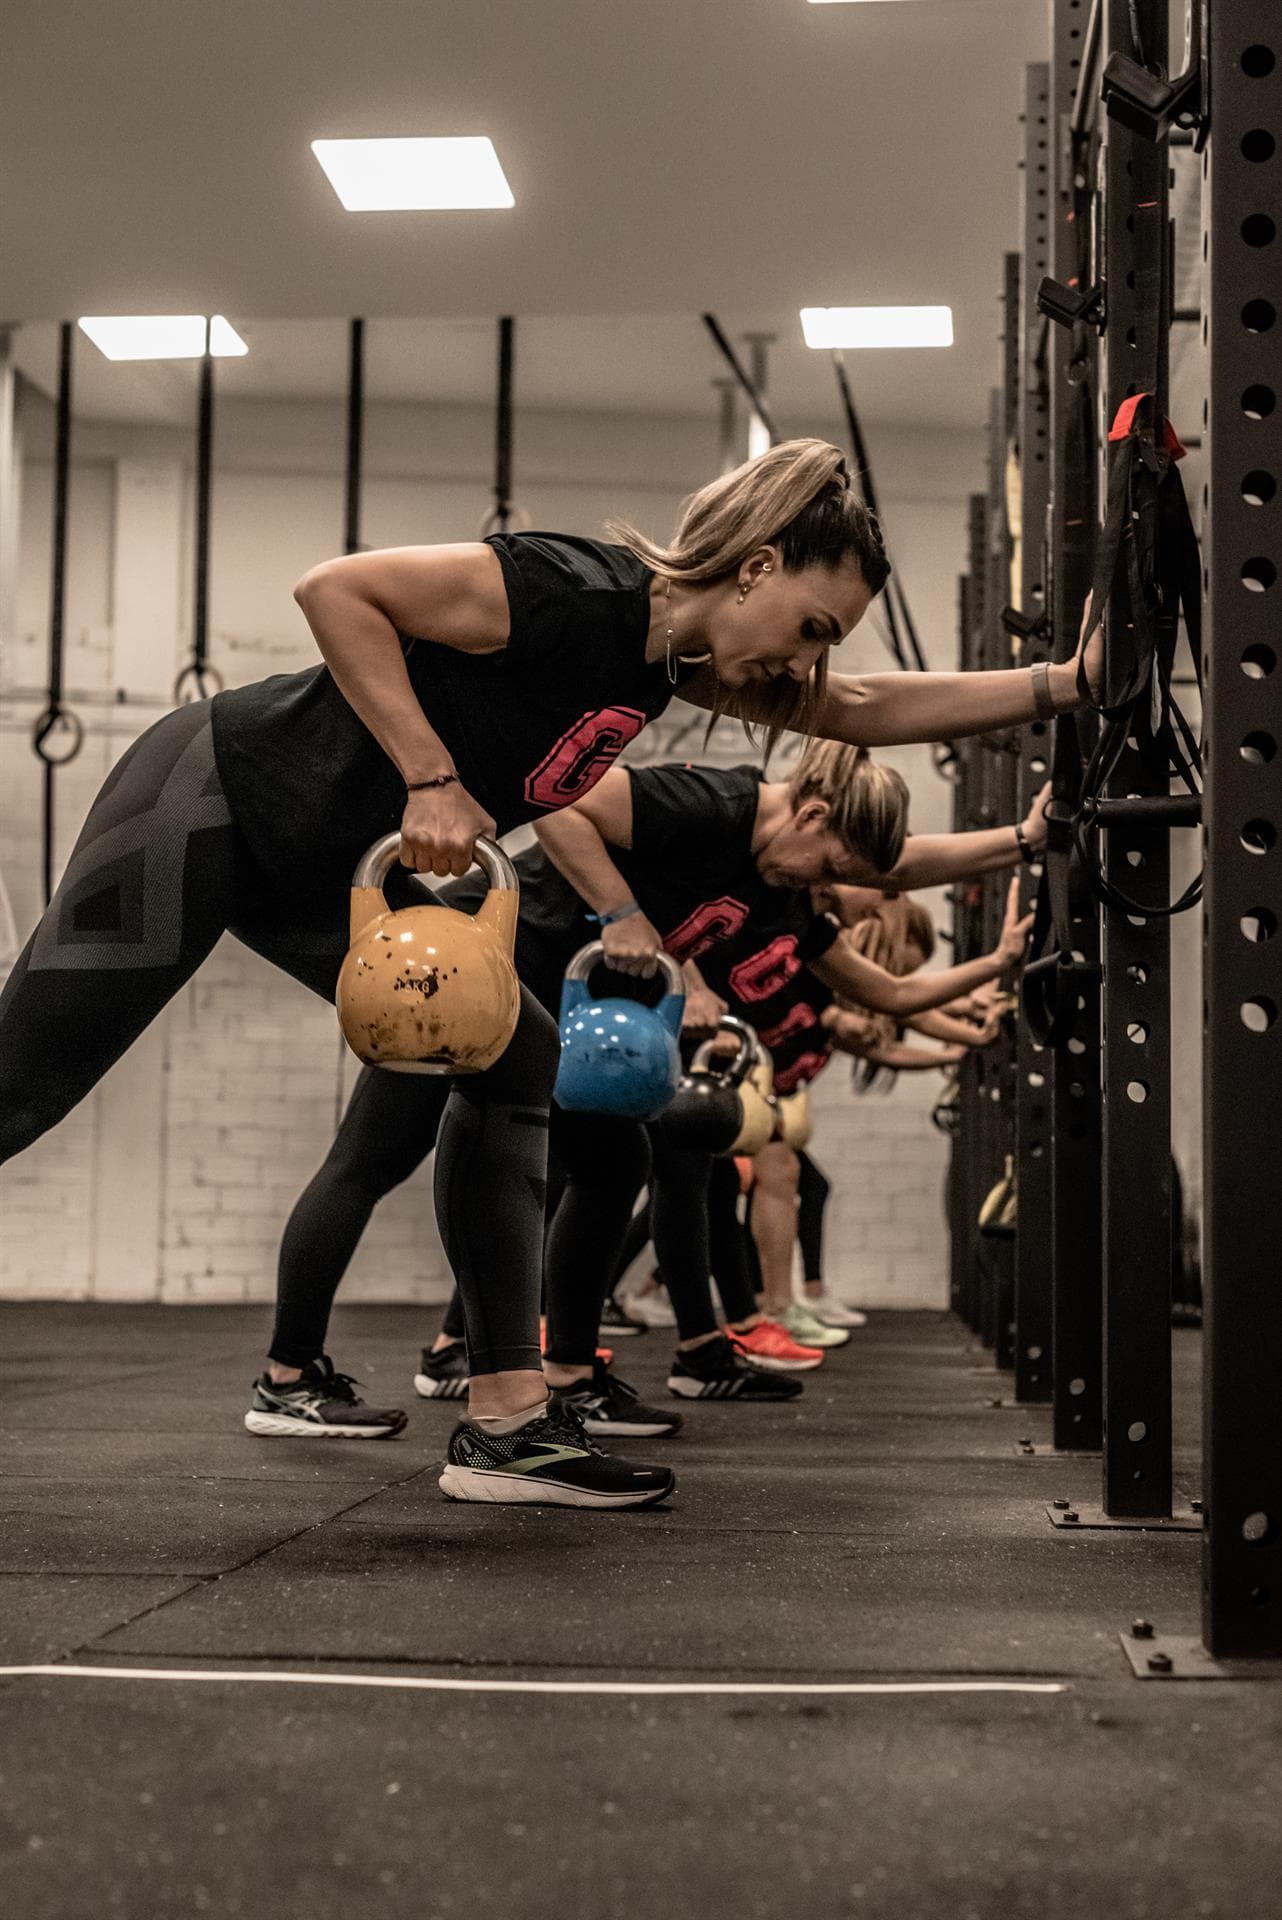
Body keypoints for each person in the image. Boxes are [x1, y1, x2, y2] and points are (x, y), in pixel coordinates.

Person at [0, 437, 1086, 1509]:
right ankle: (466, 1404)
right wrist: (430, 776)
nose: (808, 664)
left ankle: (509, 1422)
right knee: (21, 1089)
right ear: (755, 565)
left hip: (327, 869)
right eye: (812, 629)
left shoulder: (666, 670)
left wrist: (1061, 685)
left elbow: (860, 713)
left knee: (513, 1058)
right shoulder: (573, 591)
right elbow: (335, 591)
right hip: (214, 796)